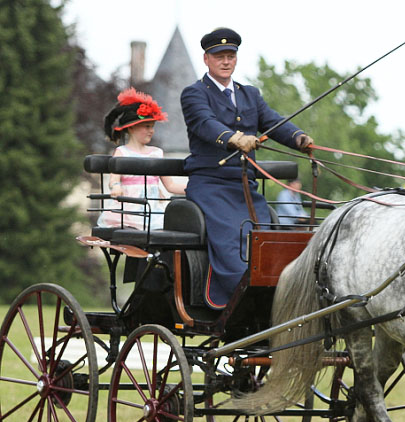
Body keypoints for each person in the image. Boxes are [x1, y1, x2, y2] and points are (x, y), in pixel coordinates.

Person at [181, 27, 313, 309]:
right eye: (219, 57)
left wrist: (298, 138)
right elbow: (204, 123)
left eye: (231, 56)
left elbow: (273, 122)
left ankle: (276, 295)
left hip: (244, 186)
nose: (226, 61)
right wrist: (233, 138)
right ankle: (238, 300)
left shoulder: (249, 94)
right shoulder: (194, 94)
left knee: (264, 235)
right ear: (207, 59)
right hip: (210, 184)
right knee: (232, 237)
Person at [98, 88, 186, 230]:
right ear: (131, 128)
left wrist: (196, 188)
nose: (152, 130)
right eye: (147, 126)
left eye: (152, 126)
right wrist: (115, 187)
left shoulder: (157, 153)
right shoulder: (122, 152)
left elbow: (170, 185)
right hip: (129, 210)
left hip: (152, 210)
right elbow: (114, 179)